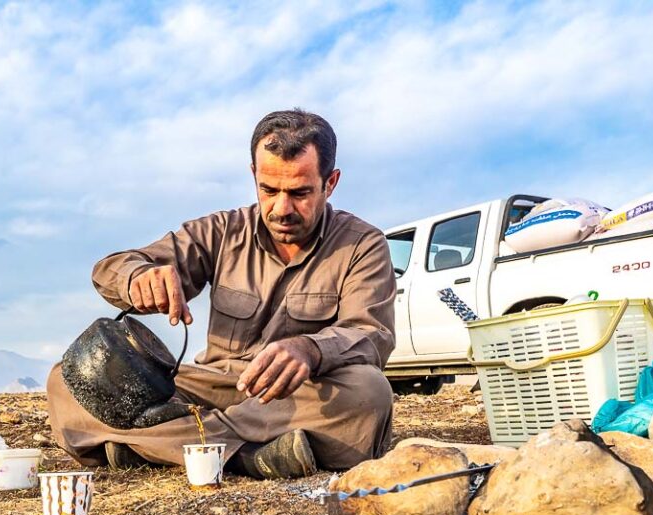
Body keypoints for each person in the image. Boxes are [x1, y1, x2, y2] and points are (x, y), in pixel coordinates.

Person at [46, 109, 396, 479]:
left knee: (368, 393)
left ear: (331, 183)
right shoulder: (222, 231)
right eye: (269, 190)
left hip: (293, 398)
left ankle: (158, 445)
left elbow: (371, 334)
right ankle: (247, 455)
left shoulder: (362, 244)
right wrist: (137, 277)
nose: (281, 208)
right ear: (253, 176)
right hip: (210, 387)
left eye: (299, 193)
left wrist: (310, 349)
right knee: (68, 380)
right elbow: (110, 268)